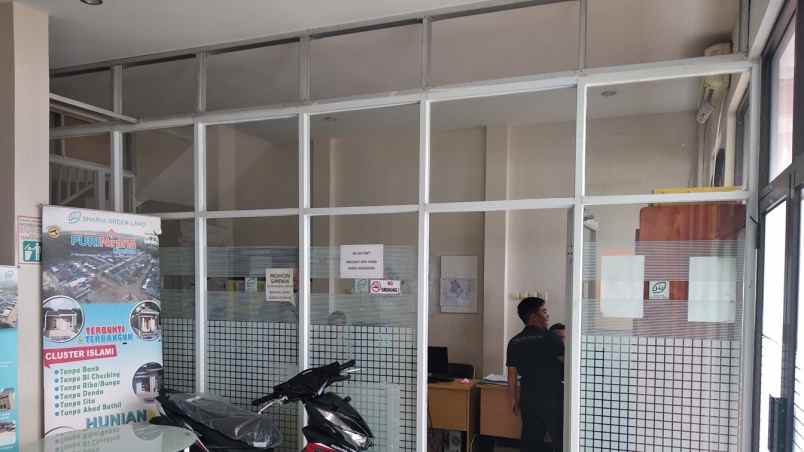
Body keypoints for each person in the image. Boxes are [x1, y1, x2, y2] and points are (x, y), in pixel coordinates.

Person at [506, 297, 564, 452]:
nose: (547, 315)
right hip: (552, 396)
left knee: (531, 441)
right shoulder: (550, 338)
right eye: (544, 311)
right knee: (560, 439)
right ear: (533, 316)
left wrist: (513, 399)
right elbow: (566, 364)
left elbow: (511, 374)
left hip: (528, 397)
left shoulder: (515, 341)